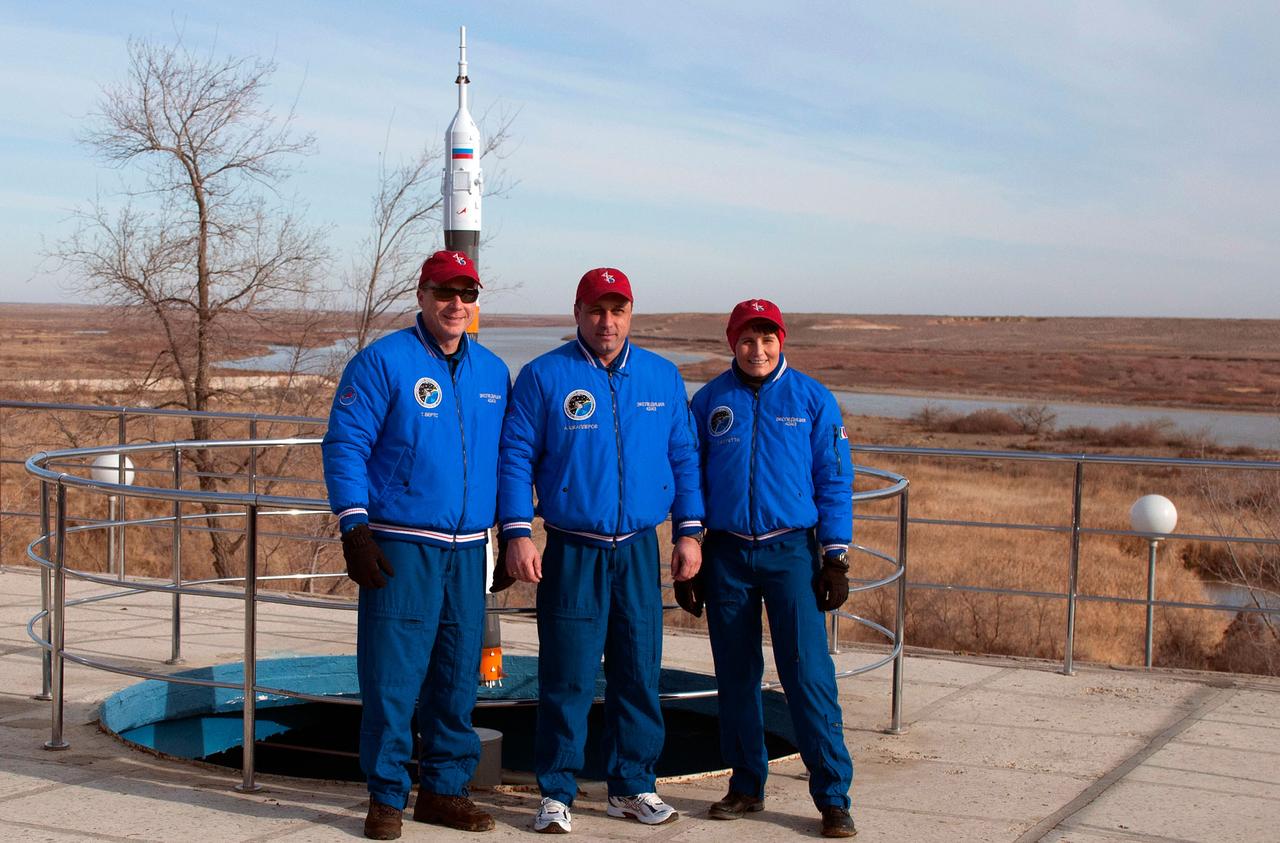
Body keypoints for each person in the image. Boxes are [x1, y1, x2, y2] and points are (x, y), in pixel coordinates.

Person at [498, 267, 704, 834]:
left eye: (617, 310)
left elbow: (684, 458)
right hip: (573, 550)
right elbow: (515, 456)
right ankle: (557, 790)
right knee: (567, 673)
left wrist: (689, 532)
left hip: (638, 548)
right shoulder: (544, 377)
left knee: (638, 670)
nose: (606, 322)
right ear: (577, 313)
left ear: (631, 312)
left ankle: (632, 785)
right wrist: (517, 531)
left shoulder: (662, 378)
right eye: (595, 310)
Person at [322, 250, 509, 839]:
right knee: (393, 677)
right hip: (404, 542)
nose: (457, 305)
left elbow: (506, 460)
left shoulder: (493, 373)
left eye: (467, 294)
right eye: (444, 293)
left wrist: (506, 533)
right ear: (423, 297)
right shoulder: (383, 362)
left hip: (469, 546)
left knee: (456, 677)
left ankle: (444, 791)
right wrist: (354, 525)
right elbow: (345, 445)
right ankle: (386, 796)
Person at [680, 299, 857, 838]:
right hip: (728, 552)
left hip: (790, 554)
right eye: (747, 340)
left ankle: (832, 795)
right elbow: (692, 478)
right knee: (735, 676)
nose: (758, 350)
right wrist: (692, 557)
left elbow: (833, 478)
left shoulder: (811, 398)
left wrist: (835, 555)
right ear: (731, 342)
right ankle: (746, 784)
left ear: (782, 341)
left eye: (768, 339)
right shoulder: (711, 400)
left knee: (807, 675)